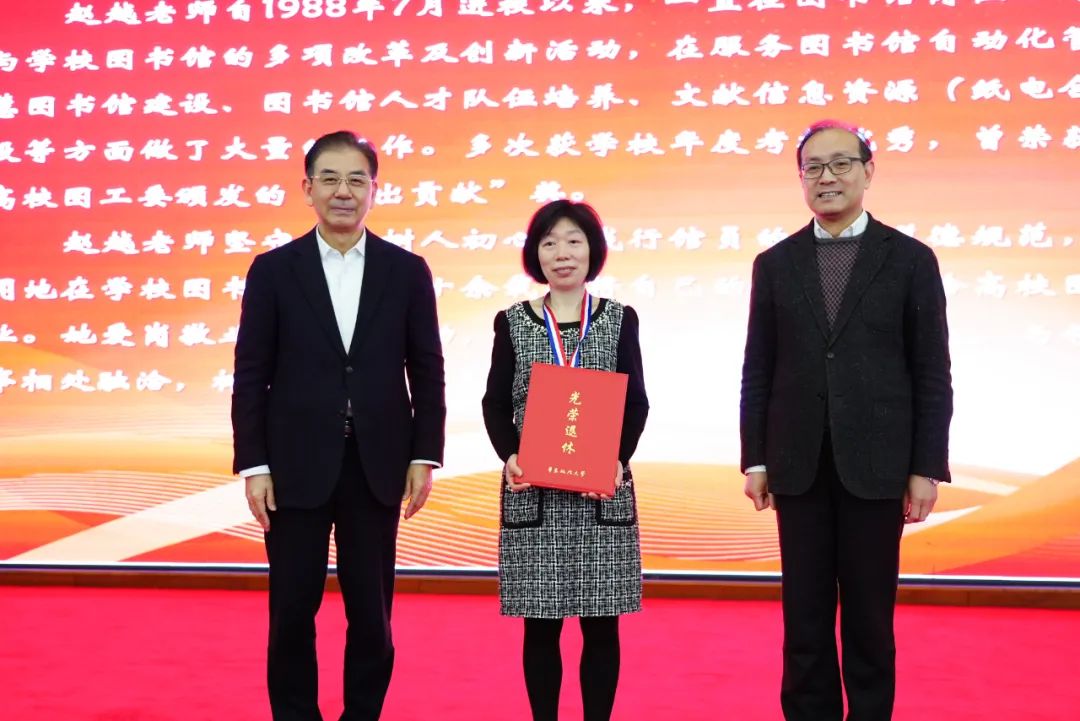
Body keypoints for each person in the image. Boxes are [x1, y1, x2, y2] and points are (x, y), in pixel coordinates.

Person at [739, 119, 953, 721]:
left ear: (868, 171)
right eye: (813, 167)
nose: (826, 177)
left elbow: (931, 371)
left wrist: (926, 468)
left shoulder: (909, 260)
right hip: (798, 465)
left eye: (840, 164)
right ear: (801, 178)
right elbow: (758, 367)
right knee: (804, 620)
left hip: (879, 467)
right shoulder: (775, 263)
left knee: (868, 620)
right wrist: (755, 458)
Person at [232, 130, 446, 721]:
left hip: (377, 464)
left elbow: (427, 369)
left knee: (372, 615)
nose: (343, 191)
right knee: (291, 611)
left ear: (375, 190)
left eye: (356, 179)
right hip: (293, 467)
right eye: (329, 179)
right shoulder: (274, 271)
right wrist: (254, 465)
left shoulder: (407, 271)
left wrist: (424, 454)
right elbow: (251, 373)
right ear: (308, 189)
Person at [481, 199, 649, 721]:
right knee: (540, 627)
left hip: (602, 493)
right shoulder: (512, 322)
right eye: (550, 242)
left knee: (602, 627)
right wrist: (510, 455)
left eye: (574, 241)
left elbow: (636, 403)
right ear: (536, 254)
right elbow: (495, 403)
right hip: (535, 495)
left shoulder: (619, 319)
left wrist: (617, 459)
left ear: (592, 250)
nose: (562, 253)